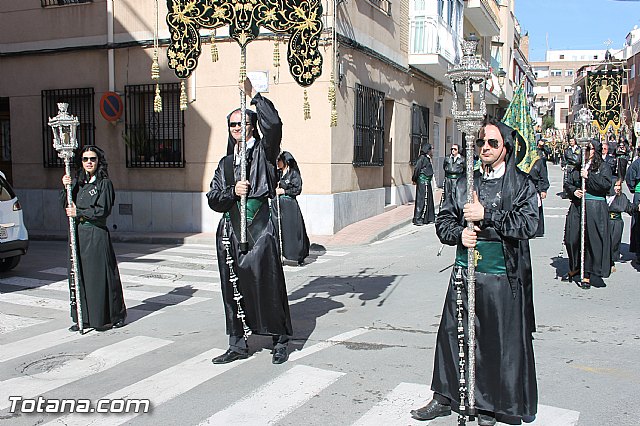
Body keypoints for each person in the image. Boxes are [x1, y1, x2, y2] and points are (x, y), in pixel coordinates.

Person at [411, 118, 538, 425]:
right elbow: (444, 222)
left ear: (505, 148)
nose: (486, 148)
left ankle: (489, 404)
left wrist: (488, 215)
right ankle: (444, 397)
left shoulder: (521, 184)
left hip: (500, 277)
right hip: (464, 272)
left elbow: (529, 225)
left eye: (493, 143)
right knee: (452, 336)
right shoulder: (463, 182)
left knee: (494, 342)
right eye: (481, 143)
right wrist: (459, 235)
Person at [206, 78, 292, 365]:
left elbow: (275, 124)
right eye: (232, 125)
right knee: (233, 288)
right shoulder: (225, 163)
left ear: (252, 126)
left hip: (260, 228)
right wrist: (233, 191)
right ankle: (238, 343)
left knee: (267, 283)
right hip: (230, 230)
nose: (237, 129)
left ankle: (279, 339)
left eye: (242, 123)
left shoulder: (264, 153)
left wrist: (253, 95)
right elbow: (214, 197)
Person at [61, 145, 126, 332]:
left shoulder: (104, 184)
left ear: (99, 162)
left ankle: (107, 316)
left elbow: (102, 210)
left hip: (96, 235)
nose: (89, 162)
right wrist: (67, 185)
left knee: (99, 277)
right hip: (79, 235)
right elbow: (66, 204)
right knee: (80, 276)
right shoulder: (79, 183)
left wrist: (79, 212)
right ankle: (85, 317)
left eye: (93, 159)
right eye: (85, 159)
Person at [562, 139, 613, 289]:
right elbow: (568, 183)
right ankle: (575, 266)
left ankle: (587, 274)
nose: (586, 151)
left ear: (595, 151)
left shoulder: (603, 167)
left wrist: (589, 177)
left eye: (589, 148)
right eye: (585, 149)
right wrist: (573, 191)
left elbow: (605, 184)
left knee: (590, 240)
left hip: (594, 207)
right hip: (578, 205)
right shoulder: (580, 166)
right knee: (572, 238)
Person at [271, 151, 310, 266]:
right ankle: (279, 254)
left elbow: (297, 189)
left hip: (289, 206)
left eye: (279, 160)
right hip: (277, 205)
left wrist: (284, 191)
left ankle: (298, 255)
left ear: (285, 162)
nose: (277, 163)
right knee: (277, 229)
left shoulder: (293, 174)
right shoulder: (277, 173)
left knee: (292, 230)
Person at [607, 178, 639, 271]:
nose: (617, 188)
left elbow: (629, 207)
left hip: (617, 222)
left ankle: (611, 261)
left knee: (614, 243)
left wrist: (637, 207)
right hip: (605, 222)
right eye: (616, 185)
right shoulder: (604, 197)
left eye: (619, 186)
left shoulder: (621, 197)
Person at [529, 143, 550, 237]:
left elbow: (543, 175)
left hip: (535, 187)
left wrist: (543, 189)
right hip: (524, 186)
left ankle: (537, 230)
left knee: (536, 209)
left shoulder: (539, 160)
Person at [412, 143, 435, 225]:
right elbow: (417, 169)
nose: (432, 150)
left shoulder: (428, 158)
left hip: (427, 182)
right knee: (422, 200)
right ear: (428, 150)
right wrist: (414, 179)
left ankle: (428, 218)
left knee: (428, 200)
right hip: (423, 182)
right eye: (431, 149)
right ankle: (418, 218)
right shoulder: (422, 158)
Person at [626, 146, 640, 264]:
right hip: (639, 194)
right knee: (637, 222)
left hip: (638, 193)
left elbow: (629, 179)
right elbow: (630, 178)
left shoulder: (635, 164)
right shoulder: (636, 164)